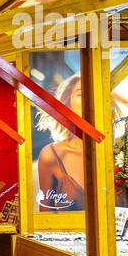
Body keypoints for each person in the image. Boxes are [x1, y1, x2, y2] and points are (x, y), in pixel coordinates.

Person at [36, 74, 85, 212]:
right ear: (68, 104)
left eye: (94, 93)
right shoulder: (51, 155)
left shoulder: (119, 154)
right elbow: (45, 215)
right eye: (81, 94)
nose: (89, 98)